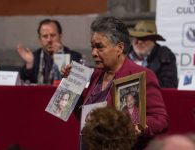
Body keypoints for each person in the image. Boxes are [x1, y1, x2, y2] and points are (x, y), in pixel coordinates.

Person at [61, 16, 169, 150]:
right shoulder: (95, 75)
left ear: (119, 48)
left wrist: (140, 126)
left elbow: (161, 119)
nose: (94, 53)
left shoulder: (141, 75)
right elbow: (85, 118)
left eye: (100, 47)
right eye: (92, 47)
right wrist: (71, 85)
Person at [17, 19, 82, 85]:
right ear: (40, 39)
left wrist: (60, 56)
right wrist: (29, 64)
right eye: (45, 36)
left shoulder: (75, 57)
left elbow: (74, 84)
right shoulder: (34, 57)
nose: (49, 40)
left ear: (60, 36)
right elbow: (22, 84)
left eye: (53, 35)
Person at [128, 20, 178, 88]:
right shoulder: (123, 54)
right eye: (136, 38)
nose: (139, 42)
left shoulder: (164, 55)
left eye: (144, 38)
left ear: (154, 41)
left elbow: (169, 86)